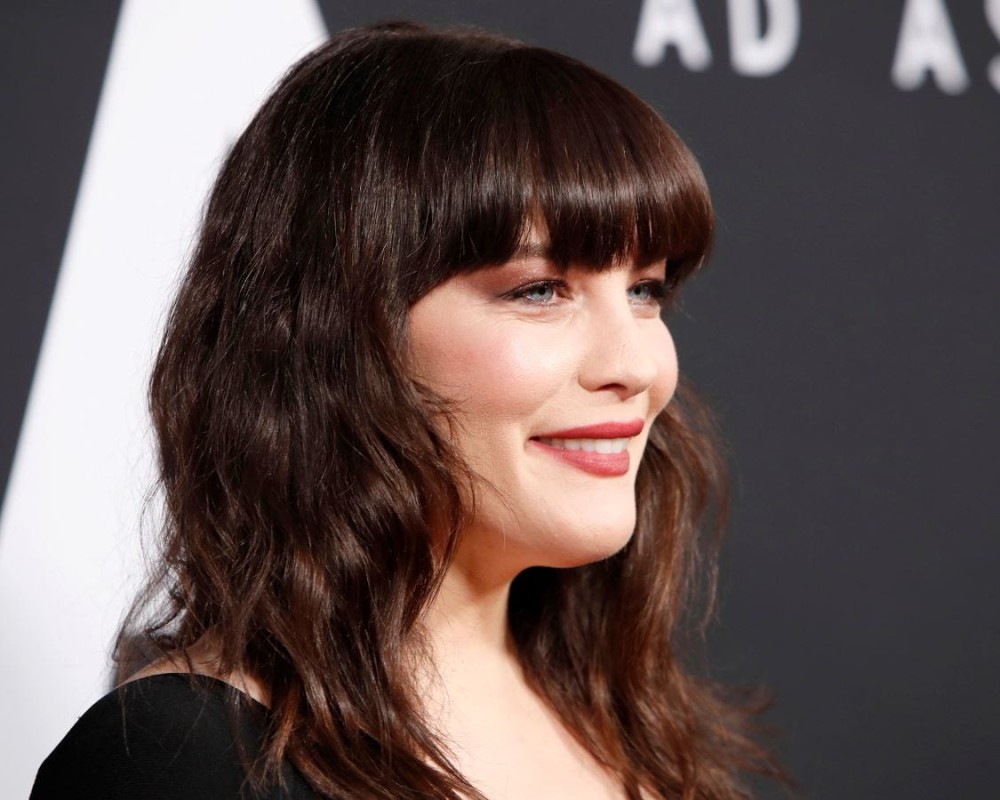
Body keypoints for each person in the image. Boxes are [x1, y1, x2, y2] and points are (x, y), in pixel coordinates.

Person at [31, 20, 784, 800]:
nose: (635, 367)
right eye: (538, 290)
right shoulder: (178, 766)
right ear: (337, 332)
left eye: (645, 290)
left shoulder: (642, 731)